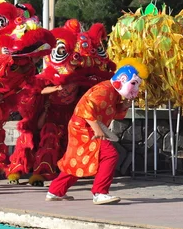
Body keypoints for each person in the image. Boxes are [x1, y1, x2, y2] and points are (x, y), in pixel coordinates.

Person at [46, 58, 149, 205]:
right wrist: (97, 130)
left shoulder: (112, 92)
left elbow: (115, 112)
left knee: (79, 160)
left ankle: (55, 191)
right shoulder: (104, 89)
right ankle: (100, 192)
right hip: (84, 128)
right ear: (122, 79)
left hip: (86, 126)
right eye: (133, 83)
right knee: (110, 155)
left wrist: (125, 104)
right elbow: (86, 108)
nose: (135, 88)